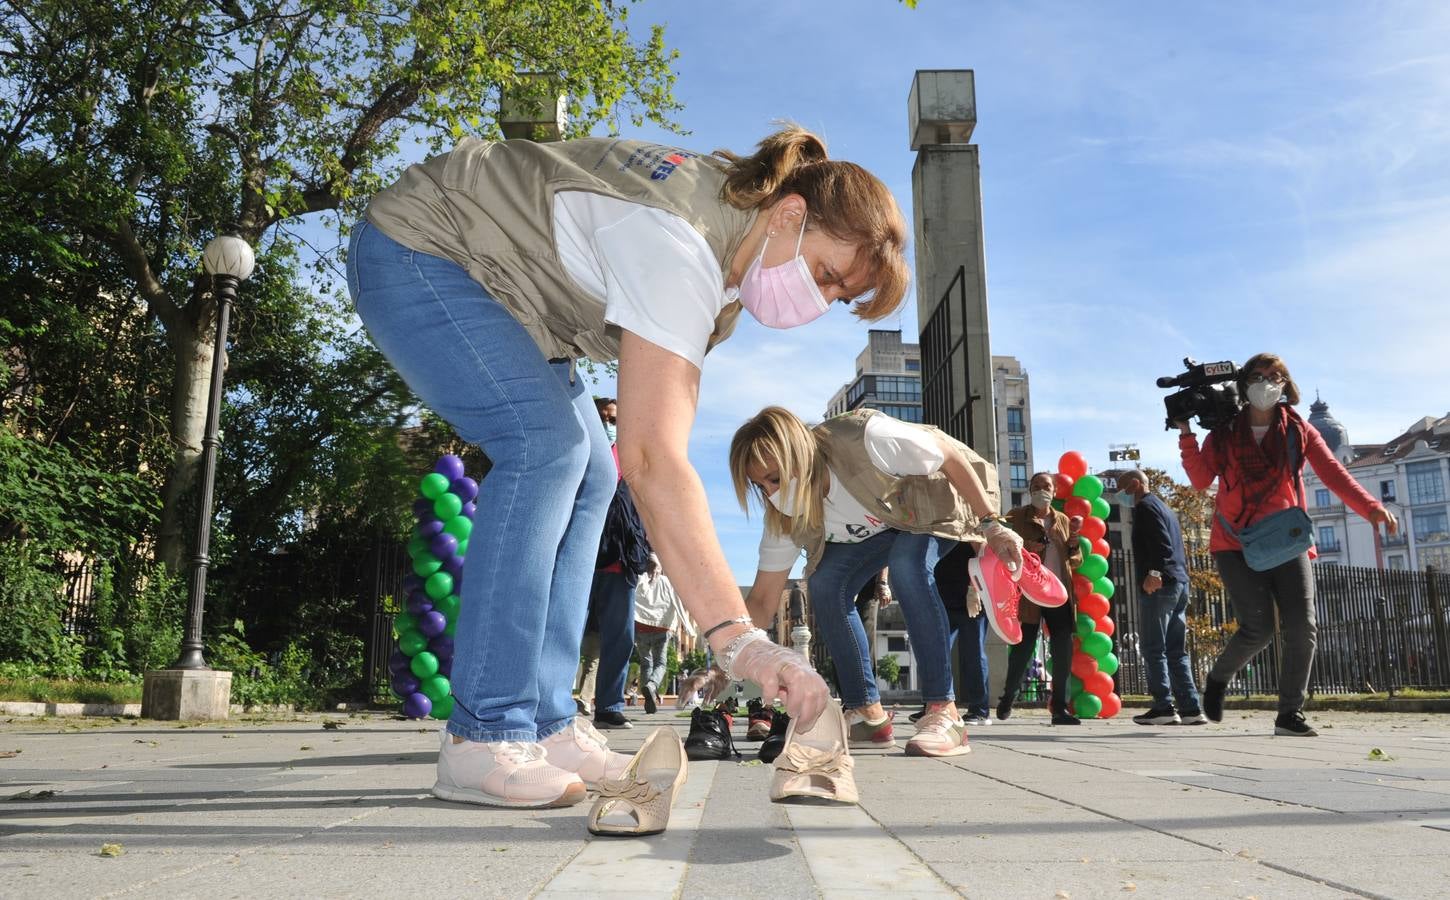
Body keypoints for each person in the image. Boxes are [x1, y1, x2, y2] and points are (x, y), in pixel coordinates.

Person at [349, 126, 907, 808]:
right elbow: (656, 459)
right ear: (790, 213)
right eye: (824, 273)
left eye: (837, 297)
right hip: (422, 251)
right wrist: (741, 643)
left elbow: (642, 453)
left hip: (512, 302)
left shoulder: (726, 264)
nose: (818, 302)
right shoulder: (680, 245)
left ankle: (549, 721)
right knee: (546, 446)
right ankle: (483, 732)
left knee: (592, 473)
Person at [730, 406, 1024, 758]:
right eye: (759, 485)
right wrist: (726, 658)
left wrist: (990, 524)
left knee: (907, 564)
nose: (770, 493)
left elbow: (948, 455)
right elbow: (762, 601)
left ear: (799, 455)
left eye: (774, 478)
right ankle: (867, 715)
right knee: (825, 584)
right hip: (883, 527)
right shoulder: (783, 514)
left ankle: (944, 713)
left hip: (937, 502)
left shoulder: (866, 439)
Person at [1179, 353, 1398, 737]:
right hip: (1233, 540)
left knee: (1303, 627)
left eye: (1275, 376)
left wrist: (1371, 507)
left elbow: (1333, 472)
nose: (1267, 382)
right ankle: (1218, 678)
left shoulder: (1299, 430)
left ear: (1285, 384)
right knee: (1258, 628)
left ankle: (1289, 714)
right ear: (1245, 384)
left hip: (1287, 539)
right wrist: (1186, 435)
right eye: (1259, 376)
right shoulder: (1225, 431)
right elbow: (1200, 479)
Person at [1117, 469, 1205, 726]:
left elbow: (1161, 545)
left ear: (1135, 485)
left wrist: (1153, 574)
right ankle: (1190, 708)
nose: (1121, 496)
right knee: (1176, 649)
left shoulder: (1145, 507)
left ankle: (1163, 706)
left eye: (1123, 489)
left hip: (1160, 586)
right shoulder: (1164, 507)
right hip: (1179, 583)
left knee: (1153, 648)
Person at [997, 472, 1084, 724]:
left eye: (1045, 486)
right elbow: (1000, 547)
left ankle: (1060, 709)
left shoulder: (1064, 520)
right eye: (1035, 486)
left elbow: (1075, 560)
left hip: (1057, 593)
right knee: (1022, 650)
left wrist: (1075, 545)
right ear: (1029, 490)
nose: (1040, 490)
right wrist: (1025, 549)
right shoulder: (1015, 516)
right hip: (1028, 594)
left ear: (1054, 491)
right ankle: (1008, 698)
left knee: (1062, 651)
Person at [588, 396, 650, 730]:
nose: (608, 423)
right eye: (603, 416)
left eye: (613, 419)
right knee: (561, 632)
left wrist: (648, 549)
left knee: (621, 637)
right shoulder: (578, 449)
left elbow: (644, 507)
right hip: (581, 557)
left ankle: (609, 706)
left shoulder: (630, 458)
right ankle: (546, 708)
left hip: (621, 560)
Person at [926, 545, 992, 726]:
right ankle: (936, 704)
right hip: (944, 593)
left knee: (973, 653)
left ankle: (979, 709)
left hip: (971, 596)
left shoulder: (971, 521)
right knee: (938, 653)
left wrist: (975, 588)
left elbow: (982, 552)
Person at [633, 554, 693, 713]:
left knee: (646, 663)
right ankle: (651, 686)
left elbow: (632, 600)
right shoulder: (668, 583)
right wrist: (688, 627)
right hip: (662, 628)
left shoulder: (641, 579)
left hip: (641, 628)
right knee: (661, 663)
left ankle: (649, 697)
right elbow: (679, 605)